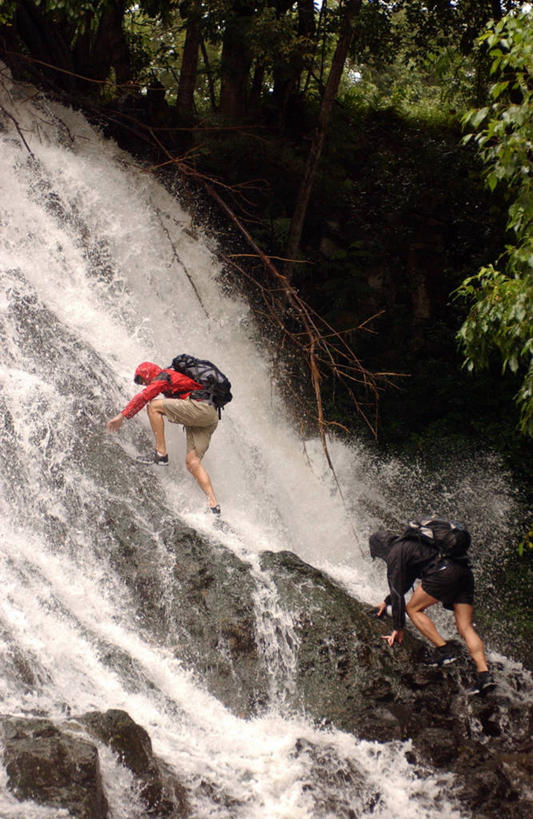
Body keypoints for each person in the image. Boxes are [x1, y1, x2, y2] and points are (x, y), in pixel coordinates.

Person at [369, 527, 495, 696]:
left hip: (444, 572)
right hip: (463, 572)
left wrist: (398, 628)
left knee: (413, 609)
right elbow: (405, 582)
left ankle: (444, 650)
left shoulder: (394, 554)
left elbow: (397, 591)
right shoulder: (411, 544)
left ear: (380, 548)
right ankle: (484, 675)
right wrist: (386, 602)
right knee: (465, 627)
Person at [106, 361, 220, 514]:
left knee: (153, 406)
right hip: (209, 415)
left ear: (148, 373)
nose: (144, 384)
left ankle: (161, 453)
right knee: (192, 462)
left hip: (199, 408)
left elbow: (144, 396)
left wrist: (122, 416)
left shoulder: (164, 376)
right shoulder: (171, 379)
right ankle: (213, 505)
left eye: (143, 380)